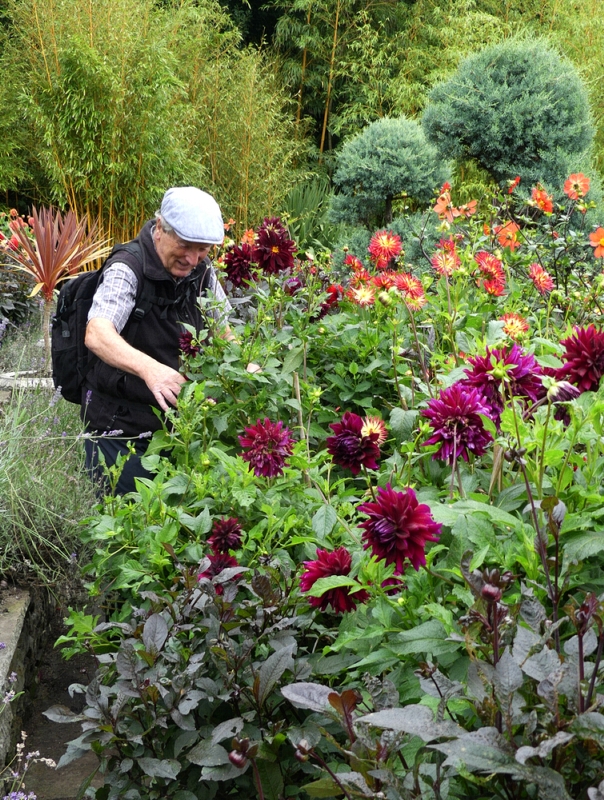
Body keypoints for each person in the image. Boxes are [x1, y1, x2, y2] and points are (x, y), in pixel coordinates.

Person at [82, 186, 232, 494]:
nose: (192, 258)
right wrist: (152, 370)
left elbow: (225, 332)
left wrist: (245, 365)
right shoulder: (128, 267)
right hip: (120, 430)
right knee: (127, 529)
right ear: (161, 228)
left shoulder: (201, 272)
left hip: (180, 430)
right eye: (186, 245)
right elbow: (97, 333)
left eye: (202, 249)